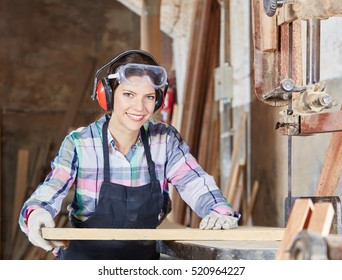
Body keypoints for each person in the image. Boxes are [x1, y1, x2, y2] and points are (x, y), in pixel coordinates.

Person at [19, 49, 241, 260]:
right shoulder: (80, 143)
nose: (139, 107)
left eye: (149, 97)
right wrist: (37, 213)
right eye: (128, 94)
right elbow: (51, 188)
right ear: (107, 95)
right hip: (85, 264)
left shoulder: (164, 141)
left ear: (158, 100)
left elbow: (194, 182)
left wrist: (218, 211)